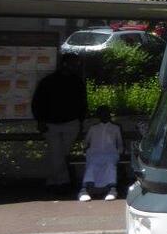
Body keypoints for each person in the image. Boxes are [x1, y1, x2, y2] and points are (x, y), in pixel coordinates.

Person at [31, 54, 87, 193]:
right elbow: (38, 103)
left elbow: (82, 103)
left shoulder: (77, 82)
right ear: (65, 64)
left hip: (70, 123)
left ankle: (56, 180)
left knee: (60, 153)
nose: (76, 67)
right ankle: (61, 181)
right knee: (58, 153)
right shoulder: (48, 82)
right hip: (51, 124)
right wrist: (41, 120)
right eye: (74, 64)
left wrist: (80, 121)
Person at [79, 105, 123, 201]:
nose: (104, 115)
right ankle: (84, 190)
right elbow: (86, 142)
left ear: (109, 115)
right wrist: (85, 150)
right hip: (94, 154)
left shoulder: (116, 128)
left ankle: (112, 189)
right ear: (98, 115)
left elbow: (120, 143)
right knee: (92, 165)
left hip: (110, 154)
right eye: (102, 114)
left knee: (110, 165)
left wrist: (119, 152)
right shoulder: (93, 128)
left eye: (106, 113)